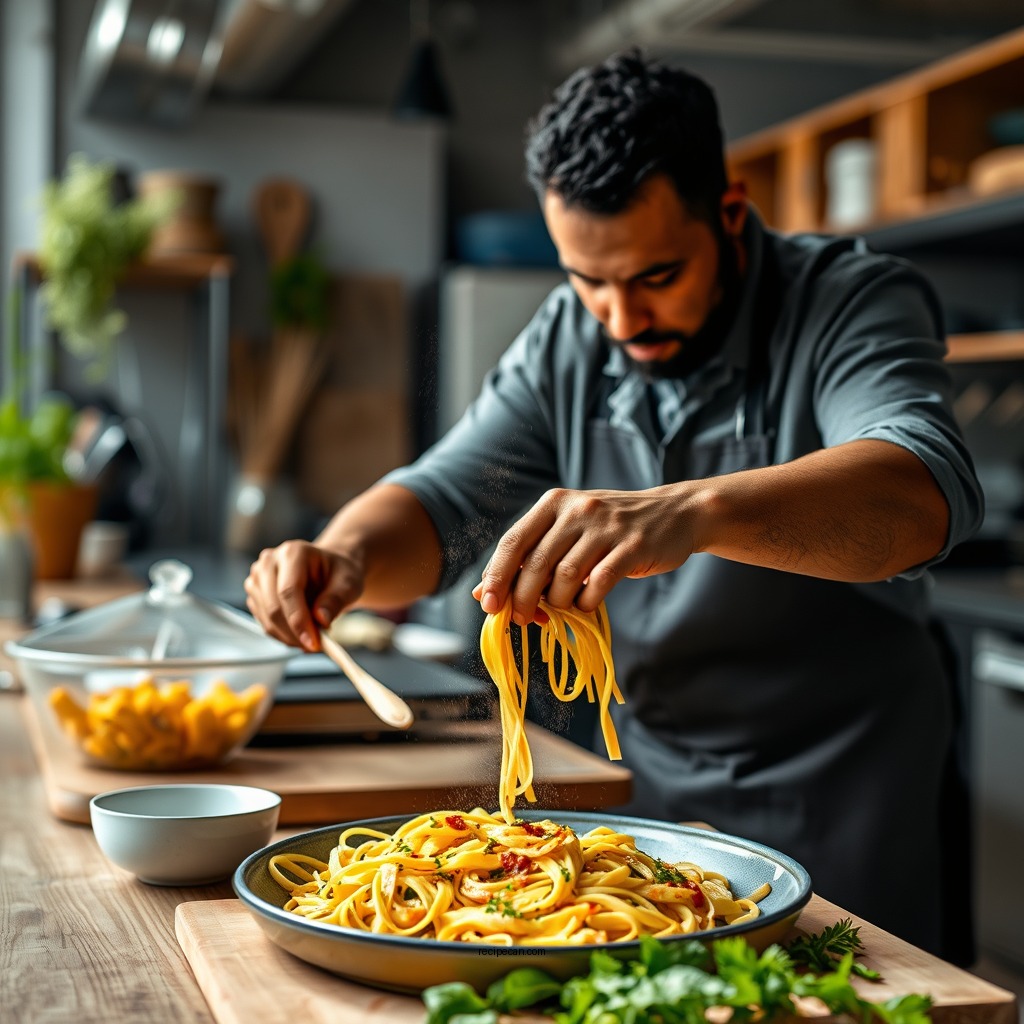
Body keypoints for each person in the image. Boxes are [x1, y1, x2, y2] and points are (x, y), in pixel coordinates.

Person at [245, 51, 983, 959]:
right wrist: (345, 556)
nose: (621, 321)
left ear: (730, 211)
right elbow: (446, 502)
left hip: (841, 786)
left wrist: (692, 510)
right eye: (587, 281)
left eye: (655, 277)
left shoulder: (848, 300)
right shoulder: (569, 335)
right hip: (653, 788)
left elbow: (919, 489)